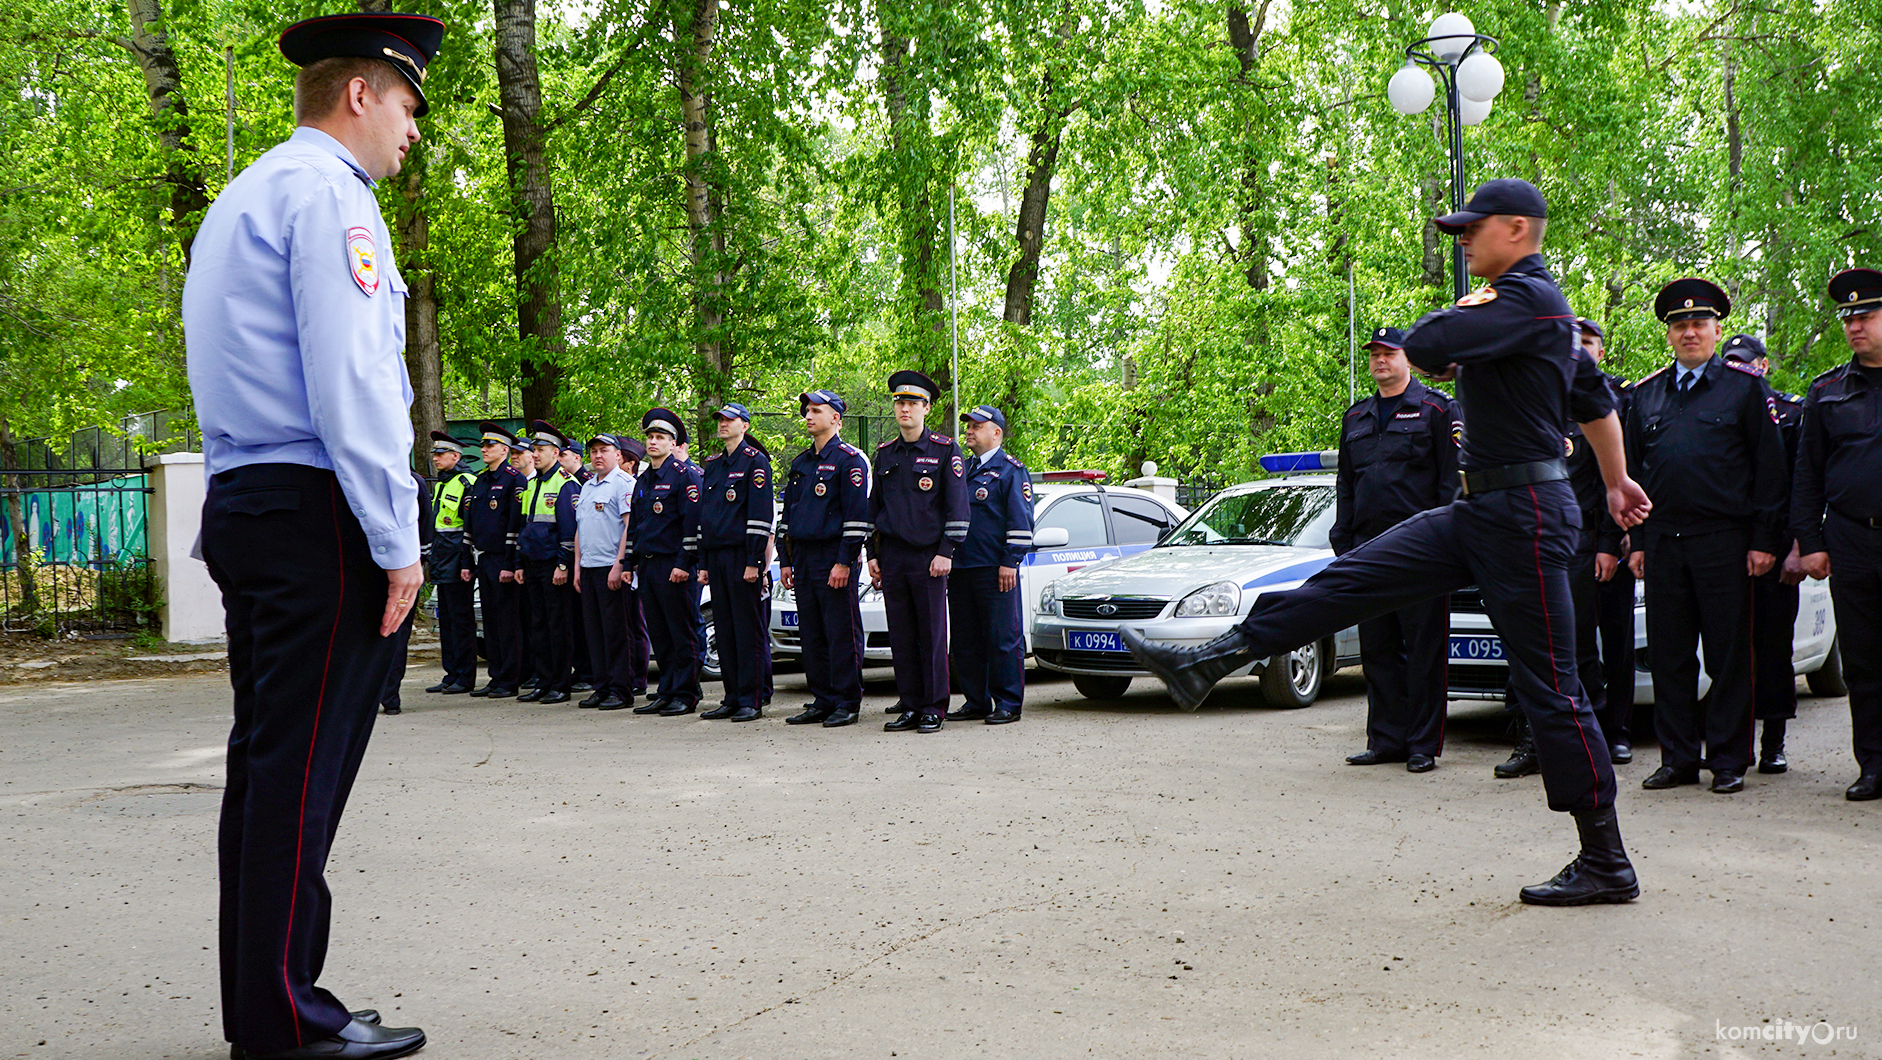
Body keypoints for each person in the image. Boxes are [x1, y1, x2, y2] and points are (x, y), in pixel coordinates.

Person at [1123, 178, 1652, 906]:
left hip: (1525, 512)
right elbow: (1595, 403)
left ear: (1519, 231)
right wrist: (1619, 482)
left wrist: (1465, 314)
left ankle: (1605, 860)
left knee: (1552, 686)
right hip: (1482, 507)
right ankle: (1213, 658)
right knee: (1356, 578)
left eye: (1475, 229)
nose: (1464, 242)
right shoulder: (1541, 318)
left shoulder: (1527, 301)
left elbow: (1427, 342)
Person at [181, 12, 441, 1058]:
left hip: (250, 495)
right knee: (301, 771)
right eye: (411, 106)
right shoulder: (336, 199)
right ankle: (289, 1018)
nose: (414, 132)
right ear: (362, 93)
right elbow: (354, 383)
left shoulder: (246, 194)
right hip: (314, 508)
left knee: (267, 764)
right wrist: (398, 536)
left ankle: (270, 1005)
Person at [1624, 279, 1788, 795]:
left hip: (1725, 541)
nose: (1689, 332)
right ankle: (1677, 759)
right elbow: (1633, 473)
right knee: (1671, 655)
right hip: (1666, 543)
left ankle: (1728, 759)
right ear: (1668, 334)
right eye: (1679, 325)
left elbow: (1770, 471)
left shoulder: (1744, 390)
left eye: (1699, 323)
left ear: (1717, 329)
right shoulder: (1645, 394)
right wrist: (1640, 541)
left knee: (1728, 655)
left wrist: (1764, 539)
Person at [1329, 327, 1461, 773]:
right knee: (1379, 651)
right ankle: (1386, 739)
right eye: (1375, 354)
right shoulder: (1356, 418)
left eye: (1389, 353)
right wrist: (1343, 543)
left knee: (1425, 651)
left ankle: (1423, 744)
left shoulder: (1437, 409)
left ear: (1408, 359)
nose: (1380, 360)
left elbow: (1450, 483)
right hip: (1368, 551)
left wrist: (1445, 543)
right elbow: (1346, 484)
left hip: (1421, 552)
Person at [1504, 318, 1627, 776]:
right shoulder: (1532, 405)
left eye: (1588, 345)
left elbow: (1608, 487)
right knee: (1523, 648)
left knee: (1575, 647)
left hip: (1576, 544)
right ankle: (1529, 740)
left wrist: (1608, 545)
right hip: (1523, 541)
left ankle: (1589, 741)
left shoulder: (1597, 412)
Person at [1793, 267, 1882, 802]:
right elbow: (1807, 474)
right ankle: (1873, 764)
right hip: (1851, 539)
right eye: (1848, 318)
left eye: (1866, 315)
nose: (1854, 326)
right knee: (1865, 661)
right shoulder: (1827, 391)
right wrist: (1811, 541)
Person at [1722, 332, 1807, 774]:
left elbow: (1803, 486)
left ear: (1764, 365)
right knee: (1730, 651)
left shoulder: (1791, 412)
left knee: (1773, 648)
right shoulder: (1717, 410)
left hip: (1776, 549)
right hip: (1727, 548)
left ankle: (1774, 740)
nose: (1739, 371)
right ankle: (1735, 744)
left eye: (1746, 363)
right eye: (1730, 364)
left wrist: (1797, 546)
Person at [870, 371, 970, 733]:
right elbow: (874, 510)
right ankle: (910, 704)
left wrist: (946, 552)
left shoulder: (945, 451)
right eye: (900, 402)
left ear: (927, 408)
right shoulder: (884, 454)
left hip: (929, 558)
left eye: (912, 403)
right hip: (893, 556)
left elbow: (958, 509)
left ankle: (933, 707)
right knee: (901, 635)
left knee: (930, 635)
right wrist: (872, 554)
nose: (904, 409)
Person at [780, 391, 872, 728]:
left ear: (836, 418)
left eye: (816, 411)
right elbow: (789, 516)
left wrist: (844, 561)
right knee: (812, 632)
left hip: (833, 557)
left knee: (840, 632)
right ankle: (822, 698)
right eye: (806, 410)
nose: (808, 415)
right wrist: (785, 560)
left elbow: (856, 517)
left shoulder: (850, 460)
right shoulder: (801, 463)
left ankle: (846, 701)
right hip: (803, 557)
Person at [945, 405, 1035, 725]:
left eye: (977, 426)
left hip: (996, 570)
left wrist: (1010, 560)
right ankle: (976, 700)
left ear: (996, 432)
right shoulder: (961, 469)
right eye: (968, 425)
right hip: (961, 568)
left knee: (1001, 638)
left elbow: (1021, 522)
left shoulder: (1011, 470)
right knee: (966, 640)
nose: (969, 430)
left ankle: (1008, 702)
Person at [696, 404, 775, 722]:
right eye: (720, 420)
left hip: (742, 557)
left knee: (747, 629)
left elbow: (760, 516)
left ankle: (751, 698)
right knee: (725, 629)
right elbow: (706, 517)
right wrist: (702, 560)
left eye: (730, 420)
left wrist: (755, 560)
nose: (723, 425)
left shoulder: (755, 463)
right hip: (716, 557)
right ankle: (731, 696)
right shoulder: (713, 467)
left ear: (744, 425)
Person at [627, 408, 706, 716]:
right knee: (660, 633)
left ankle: (685, 693)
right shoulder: (644, 479)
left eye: (661, 437)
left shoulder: (685, 475)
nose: (653, 442)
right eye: (650, 437)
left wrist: (684, 563)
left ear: (674, 444)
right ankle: (667, 690)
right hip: (647, 566)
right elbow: (636, 525)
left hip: (674, 566)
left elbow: (692, 524)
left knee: (681, 632)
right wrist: (628, 562)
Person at [513, 420, 582, 704]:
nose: (535, 453)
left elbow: (569, 530)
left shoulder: (565, 484)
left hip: (553, 565)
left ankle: (560, 684)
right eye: (534, 449)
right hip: (532, 564)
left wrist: (563, 565)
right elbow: (524, 526)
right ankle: (542, 681)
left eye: (541, 449)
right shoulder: (532, 485)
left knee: (557, 626)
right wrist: (518, 562)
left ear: (556, 453)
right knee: (537, 625)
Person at [572, 433, 635, 711]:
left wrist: (619, 565)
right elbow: (580, 529)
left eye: (604, 450)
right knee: (594, 632)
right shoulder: (587, 486)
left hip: (611, 567)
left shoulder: (623, 484)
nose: (598, 455)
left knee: (616, 632)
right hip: (588, 567)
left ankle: (620, 689)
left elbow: (628, 527)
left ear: (618, 455)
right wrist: (577, 566)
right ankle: (602, 686)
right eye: (594, 451)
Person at [466, 423, 527, 699]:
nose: (484, 450)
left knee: (507, 620)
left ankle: (510, 677)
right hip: (484, 557)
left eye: (489, 446)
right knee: (490, 620)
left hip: (503, 557)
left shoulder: (515, 479)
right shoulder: (480, 480)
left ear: (504, 450)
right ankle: (495, 675)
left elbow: (515, 523)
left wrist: (510, 563)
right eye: (483, 446)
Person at [424, 431, 477, 695]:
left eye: (440, 454)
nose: (435, 458)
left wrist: (465, 562)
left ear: (455, 456)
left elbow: (468, 528)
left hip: (457, 560)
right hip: (442, 560)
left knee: (460, 620)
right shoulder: (444, 482)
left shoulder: (467, 482)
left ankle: (465, 675)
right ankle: (451, 672)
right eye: (435, 453)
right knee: (445, 619)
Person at [377, 470, 434, 716]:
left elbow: (425, 523)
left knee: (396, 632)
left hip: (401, 567)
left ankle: (390, 696)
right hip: (367, 567)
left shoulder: (412, 481)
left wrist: (418, 560)